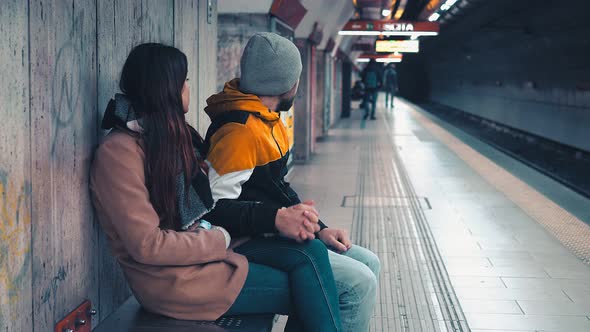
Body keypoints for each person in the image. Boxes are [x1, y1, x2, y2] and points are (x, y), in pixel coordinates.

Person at [90, 43, 342, 332]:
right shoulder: (118, 154)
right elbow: (148, 246)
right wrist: (219, 237)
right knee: (312, 291)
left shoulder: (171, 136)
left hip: (201, 259)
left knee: (311, 255)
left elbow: (204, 200)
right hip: (174, 282)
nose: (188, 87)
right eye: (184, 81)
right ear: (167, 88)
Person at [204, 32, 380, 332]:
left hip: (268, 232)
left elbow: (278, 188)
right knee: (359, 283)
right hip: (244, 242)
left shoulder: (267, 120)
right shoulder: (239, 132)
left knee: (368, 261)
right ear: (288, 84)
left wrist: (320, 229)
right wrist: (277, 218)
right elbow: (212, 208)